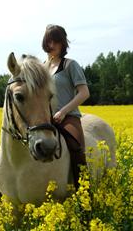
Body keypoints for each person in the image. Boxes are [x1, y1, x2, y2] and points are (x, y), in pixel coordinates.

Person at [42, 24, 90, 190]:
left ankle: (84, 193)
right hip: (44, 118)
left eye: (55, 41)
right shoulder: (41, 68)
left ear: (63, 43)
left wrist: (63, 111)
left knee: (75, 146)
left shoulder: (70, 65)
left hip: (68, 117)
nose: (51, 45)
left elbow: (84, 93)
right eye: (48, 41)